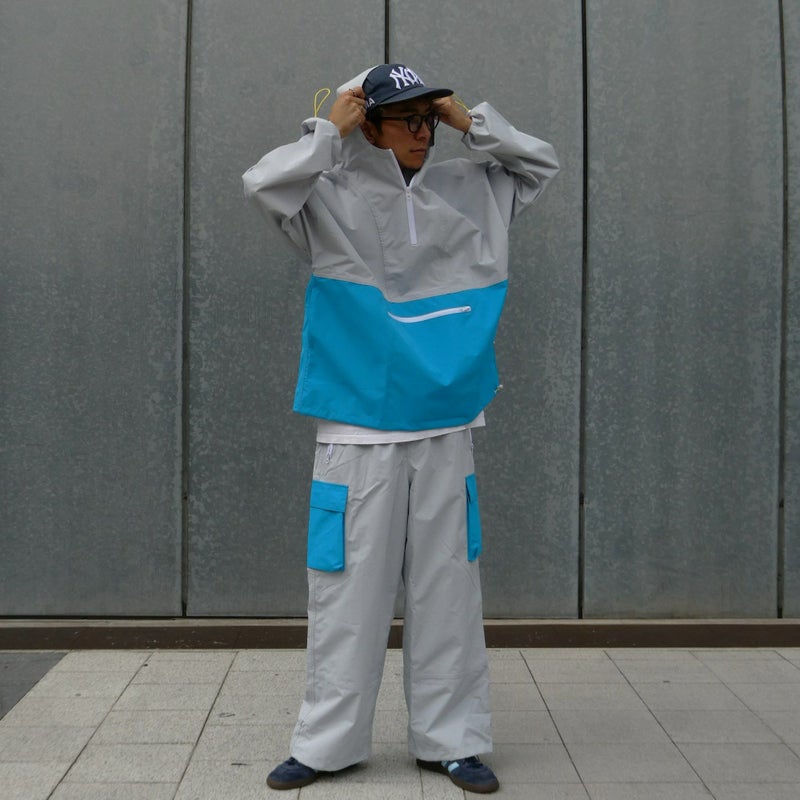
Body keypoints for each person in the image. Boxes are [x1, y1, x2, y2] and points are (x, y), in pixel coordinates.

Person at [243, 63, 558, 794]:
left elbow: (540, 163)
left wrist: (467, 120)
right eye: (405, 119)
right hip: (356, 428)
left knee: (449, 591)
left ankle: (455, 741)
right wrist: (329, 131)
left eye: (427, 117)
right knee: (346, 594)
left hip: (447, 423)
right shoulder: (326, 193)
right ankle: (326, 746)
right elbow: (262, 184)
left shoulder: (474, 188)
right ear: (369, 124)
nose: (422, 132)